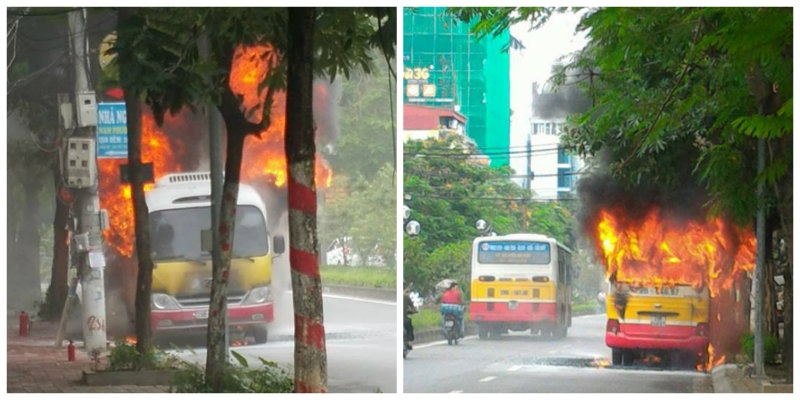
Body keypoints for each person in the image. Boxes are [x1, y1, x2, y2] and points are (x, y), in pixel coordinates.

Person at [403, 283, 417, 350]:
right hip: (404, 319)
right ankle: (409, 341)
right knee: (409, 327)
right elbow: (413, 308)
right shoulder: (406, 297)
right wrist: (415, 311)